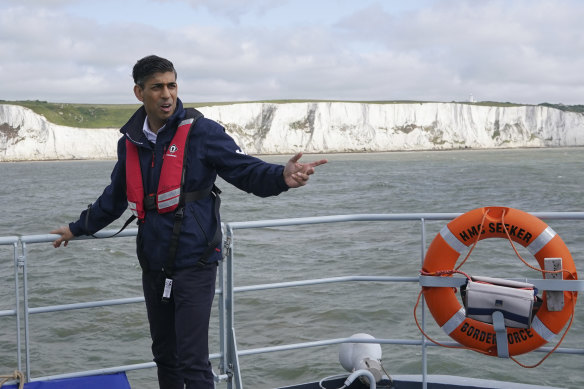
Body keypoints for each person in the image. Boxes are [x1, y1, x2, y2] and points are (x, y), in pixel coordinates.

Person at [50, 55, 327, 389]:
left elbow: (245, 170)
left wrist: (281, 176)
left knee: (193, 362)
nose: (167, 94)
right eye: (157, 87)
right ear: (139, 92)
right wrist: (77, 228)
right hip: (153, 264)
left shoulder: (201, 132)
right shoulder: (130, 143)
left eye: (172, 85)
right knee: (165, 356)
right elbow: (114, 198)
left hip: (195, 262)